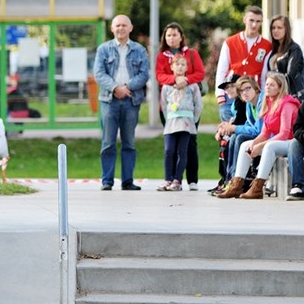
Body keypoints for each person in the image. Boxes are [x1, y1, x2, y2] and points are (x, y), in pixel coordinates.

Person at [217, 72, 300, 199]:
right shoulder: (269, 103)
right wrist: (254, 143)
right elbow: (264, 132)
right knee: (246, 144)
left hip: (290, 142)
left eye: (272, 85)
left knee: (269, 147)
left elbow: (284, 134)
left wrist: (260, 145)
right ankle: (236, 185)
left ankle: (257, 187)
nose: (267, 87)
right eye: (266, 84)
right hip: (277, 141)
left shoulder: (287, 103)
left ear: (280, 87)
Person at [93, 14, 149, 191]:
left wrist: (127, 87)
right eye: (117, 26)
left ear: (130, 28)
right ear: (112, 28)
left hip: (131, 100)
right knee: (108, 142)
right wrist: (116, 88)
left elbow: (144, 73)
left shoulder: (139, 50)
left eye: (124, 25)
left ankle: (127, 181)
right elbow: (99, 74)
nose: (120, 29)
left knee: (129, 143)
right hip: (109, 101)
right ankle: (107, 181)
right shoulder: (103, 49)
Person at [155, 22, 206, 191]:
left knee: (190, 143)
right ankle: (171, 178)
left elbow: (199, 73)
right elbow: (159, 75)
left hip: (188, 109)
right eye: (168, 35)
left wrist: (185, 80)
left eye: (175, 34)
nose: (171, 38)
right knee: (171, 146)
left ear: (181, 36)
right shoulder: (162, 56)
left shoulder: (191, 54)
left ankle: (191, 179)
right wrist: (174, 80)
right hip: (171, 108)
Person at [215, 6, 271, 122]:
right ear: (245, 19)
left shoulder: (266, 46)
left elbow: (264, 74)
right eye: (251, 20)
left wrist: (264, 96)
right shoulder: (230, 42)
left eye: (258, 21)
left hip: (253, 95)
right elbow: (221, 71)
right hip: (231, 93)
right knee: (228, 132)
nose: (254, 25)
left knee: (248, 130)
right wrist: (220, 96)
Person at [213, 76, 264, 195]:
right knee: (234, 137)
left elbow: (258, 129)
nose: (244, 93)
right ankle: (231, 179)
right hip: (258, 135)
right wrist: (229, 127)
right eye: (241, 90)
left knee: (238, 137)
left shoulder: (261, 101)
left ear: (256, 88)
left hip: (268, 136)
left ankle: (236, 181)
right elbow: (248, 124)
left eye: (247, 88)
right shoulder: (248, 104)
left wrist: (233, 128)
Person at [209, 74, 247, 193]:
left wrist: (226, 128)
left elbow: (239, 122)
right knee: (223, 139)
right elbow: (232, 121)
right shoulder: (235, 103)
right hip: (238, 130)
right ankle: (225, 178)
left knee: (229, 139)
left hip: (244, 132)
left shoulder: (242, 102)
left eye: (232, 86)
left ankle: (231, 178)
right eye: (226, 88)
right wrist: (221, 128)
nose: (228, 90)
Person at [266, 15, 304, 98]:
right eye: (273, 28)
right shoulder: (273, 49)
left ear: (286, 29)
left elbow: (290, 75)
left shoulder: (294, 49)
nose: (275, 30)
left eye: (279, 28)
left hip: (289, 94)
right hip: (274, 95)